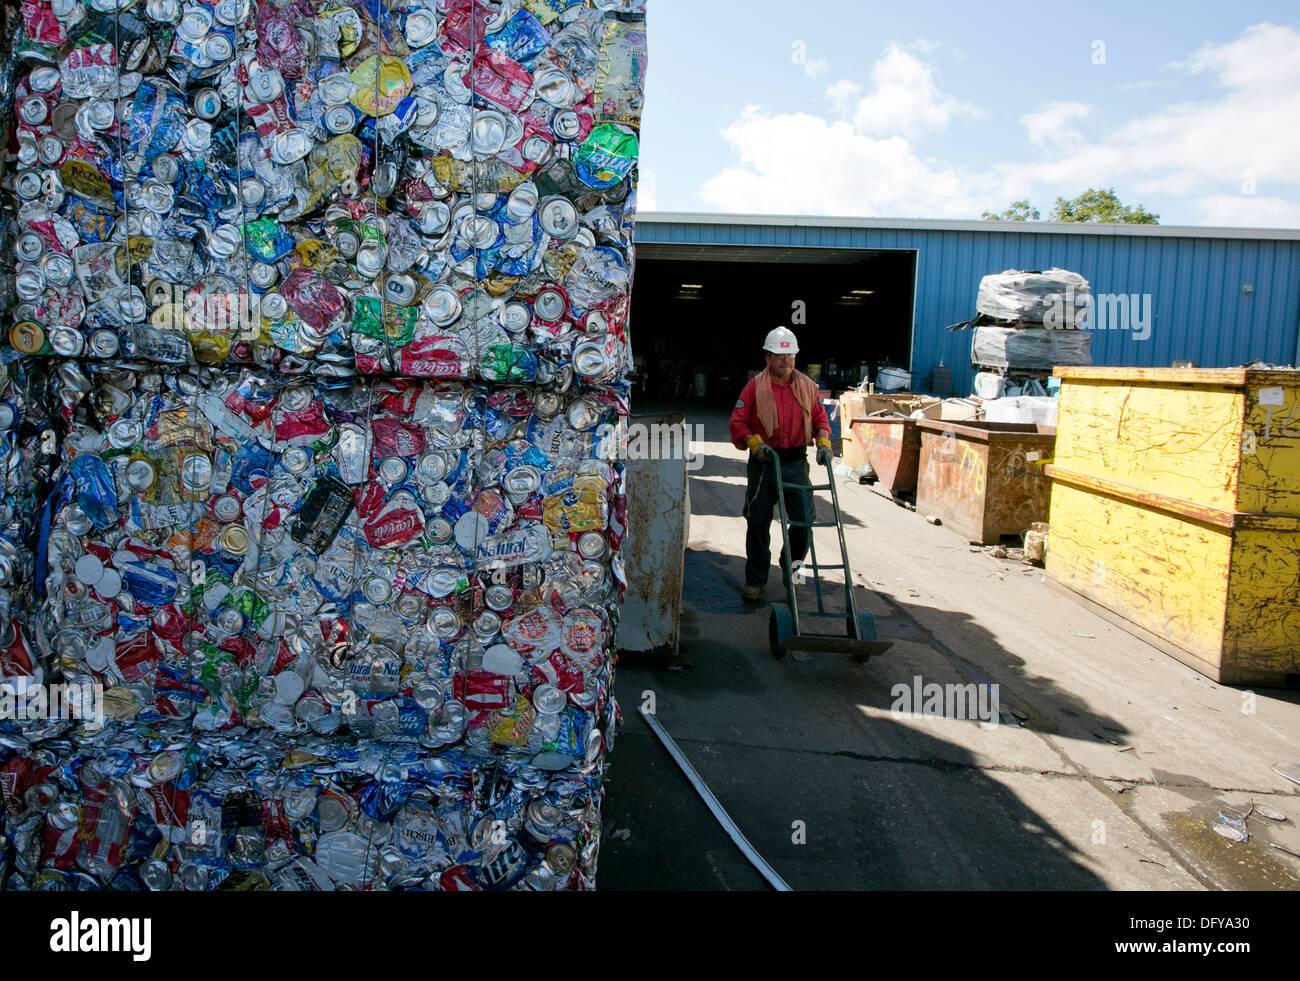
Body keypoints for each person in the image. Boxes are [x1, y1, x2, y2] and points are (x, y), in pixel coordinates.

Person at [728, 327, 833, 603]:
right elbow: (737, 423)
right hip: (765, 462)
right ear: (767, 358)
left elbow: (820, 419)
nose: (786, 361)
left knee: (804, 523)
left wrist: (823, 442)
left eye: (791, 355)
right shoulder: (754, 387)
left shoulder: (808, 387)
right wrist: (753, 443)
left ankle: (794, 575)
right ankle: (755, 580)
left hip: (796, 462)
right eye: (780, 356)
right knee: (758, 521)